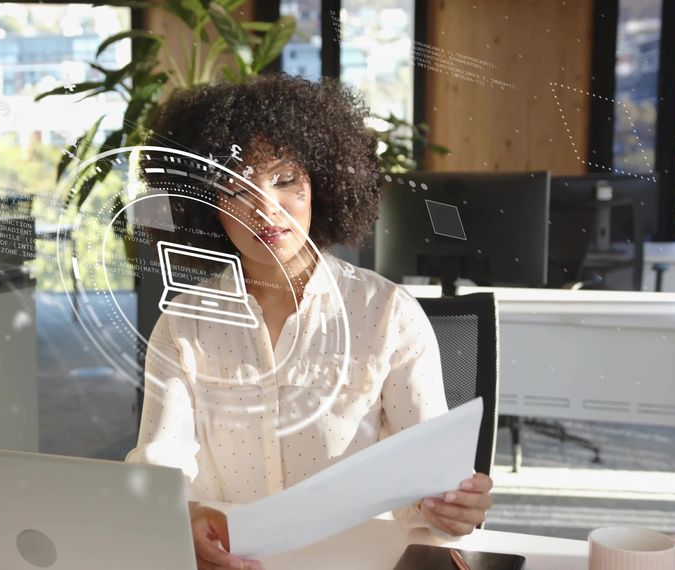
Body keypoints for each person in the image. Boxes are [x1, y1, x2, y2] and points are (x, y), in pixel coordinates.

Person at [125, 74, 493, 570]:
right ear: (206, 205)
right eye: (236, 188)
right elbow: (158, 469)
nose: (265, 208)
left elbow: (429, 487)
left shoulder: (387, 313)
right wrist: (182, 516)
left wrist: (452, 507)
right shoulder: (184, 324)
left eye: (285, 180)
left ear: (321, 183)